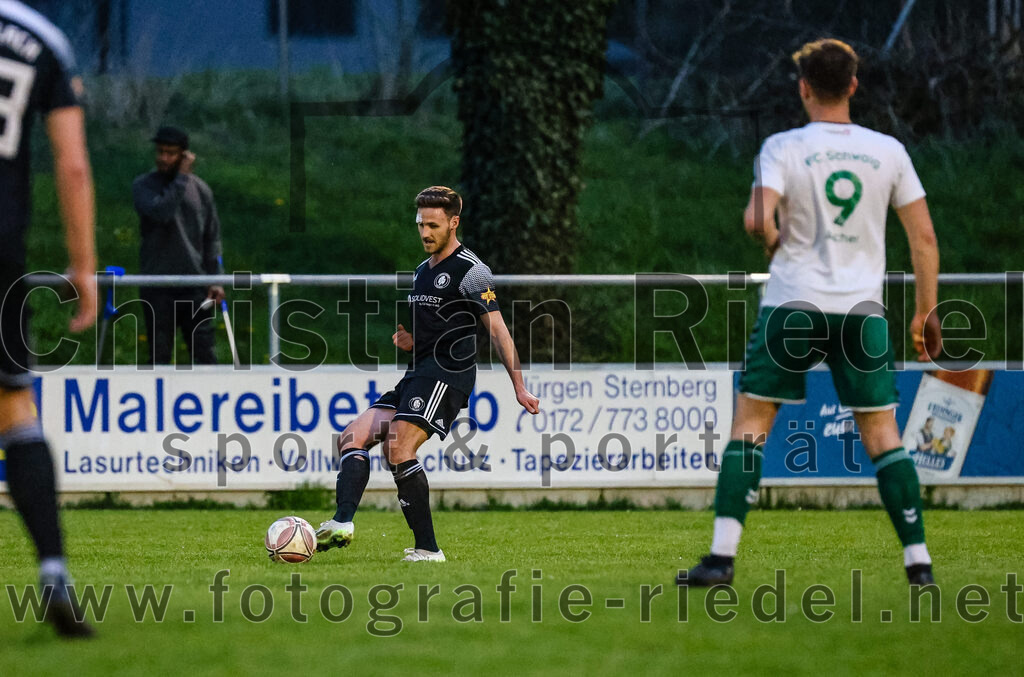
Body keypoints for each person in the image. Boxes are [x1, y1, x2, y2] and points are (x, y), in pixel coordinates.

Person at [680, 39, 943, 587]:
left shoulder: (783, 146)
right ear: (852, 85)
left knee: (752, 424)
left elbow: (757, 218)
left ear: (803, 87)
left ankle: (722, 558)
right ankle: (918, 562)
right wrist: (925, 312)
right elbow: (922, 237)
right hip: (861, 310)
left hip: (794, 301)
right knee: (882, 434)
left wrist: (773, 240)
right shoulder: (888, 151)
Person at [316, 186, 540, 561]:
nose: (425, 233)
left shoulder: (471, 270)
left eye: (433, 225)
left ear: (454, 223)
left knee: (399, 448)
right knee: (352, 436)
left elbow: (497, 329)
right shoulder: (422, 271)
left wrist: (519, 386)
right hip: (418, 373)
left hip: (447, 375)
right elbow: (438, 327)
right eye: (421, 224)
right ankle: (342, 522)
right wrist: (411, 340)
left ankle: (428, 549)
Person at [0, 0, 97, 637]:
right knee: (15, 412)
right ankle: (55, 569)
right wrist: (82, 265)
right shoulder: (38, 40)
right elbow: (72, 162)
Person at [132, 126, 224, 365]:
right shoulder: (143, 186)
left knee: (204, 354)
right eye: (160, 152)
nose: (163, 158)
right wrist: (182, 179)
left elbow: (211, 237)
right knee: (159, 356)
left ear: (184, 155)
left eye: (170, 153)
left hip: (194, 284)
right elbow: (162, 212)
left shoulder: (201, 190)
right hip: (157, 284)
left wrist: (216, 278)